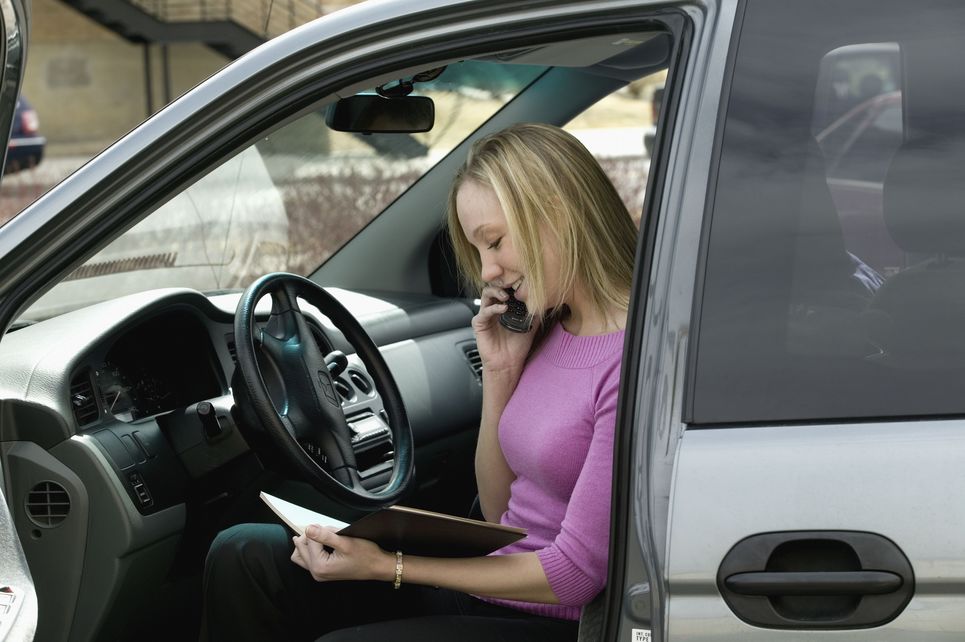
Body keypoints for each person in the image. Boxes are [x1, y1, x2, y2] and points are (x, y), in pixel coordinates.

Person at [200, 123, 638, 641]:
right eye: (478, 253)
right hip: (487, 583)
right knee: (245, 554)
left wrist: (388, 565)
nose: (489, 271)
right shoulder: (547, 324)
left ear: (559, 214)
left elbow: (574, 576)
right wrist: (499, 371)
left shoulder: (630, 360)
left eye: (494, 243)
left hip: (549, 617)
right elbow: (501, 513)